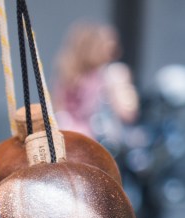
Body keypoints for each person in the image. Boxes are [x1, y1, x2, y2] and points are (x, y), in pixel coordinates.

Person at [53, 23, 139, 152]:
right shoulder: (112, 74)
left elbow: (57, 108)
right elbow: (128, 113)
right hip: (97, 146)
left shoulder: (68, 74)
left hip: (67, 141)